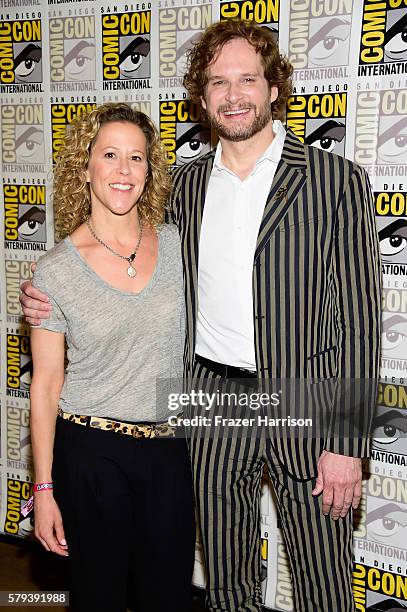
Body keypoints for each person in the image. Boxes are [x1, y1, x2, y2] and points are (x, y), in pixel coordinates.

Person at [22, 20, 381, 612]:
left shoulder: (333, 182)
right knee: (225, 588)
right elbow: (117, 258)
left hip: (306, 405)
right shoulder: (184, 189)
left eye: (248, 79)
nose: (233, 94)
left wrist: (346, 440)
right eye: (218, 81)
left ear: (273, 89)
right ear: (202, 94)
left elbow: (361, 323)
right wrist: (46, 296)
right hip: (211, 405)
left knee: (324, 590)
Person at [28, 103, 195, 612]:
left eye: (137, 158)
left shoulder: (177, 244)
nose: (124, 170)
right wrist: (44, 489)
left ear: (150, 170)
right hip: (92, 455)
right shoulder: (55, 270)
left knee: (166, 598)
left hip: (169, 453)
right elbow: (46, 385)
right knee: (97, 598)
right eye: (110, 155)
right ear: (86, 168)